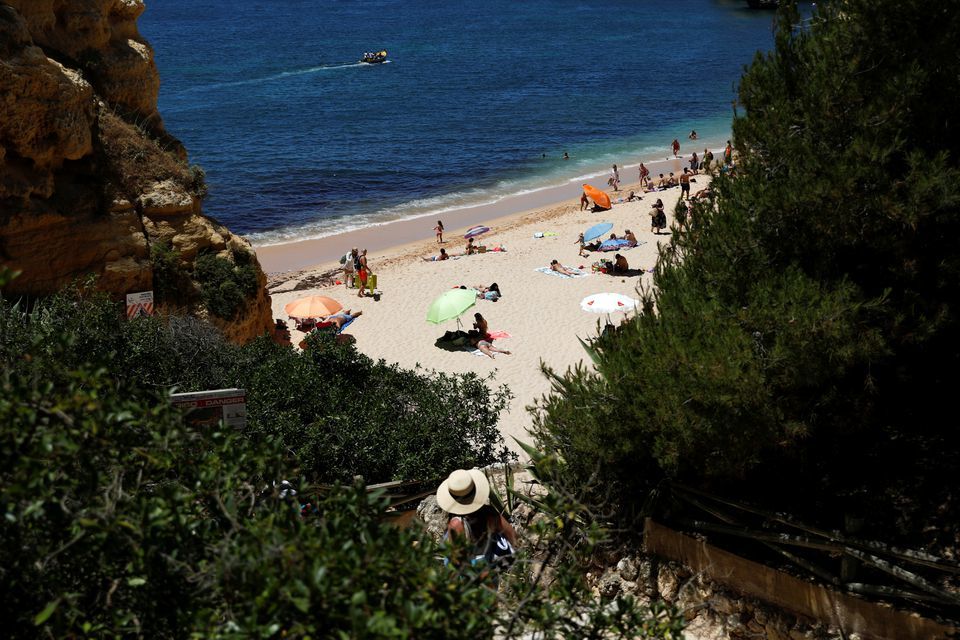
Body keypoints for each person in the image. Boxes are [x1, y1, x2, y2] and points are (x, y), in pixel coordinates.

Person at [438, 469, 517, 573]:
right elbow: (512, 535)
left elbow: (456, 559)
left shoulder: (457, 524)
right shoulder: (490, 513)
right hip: (489, 563)